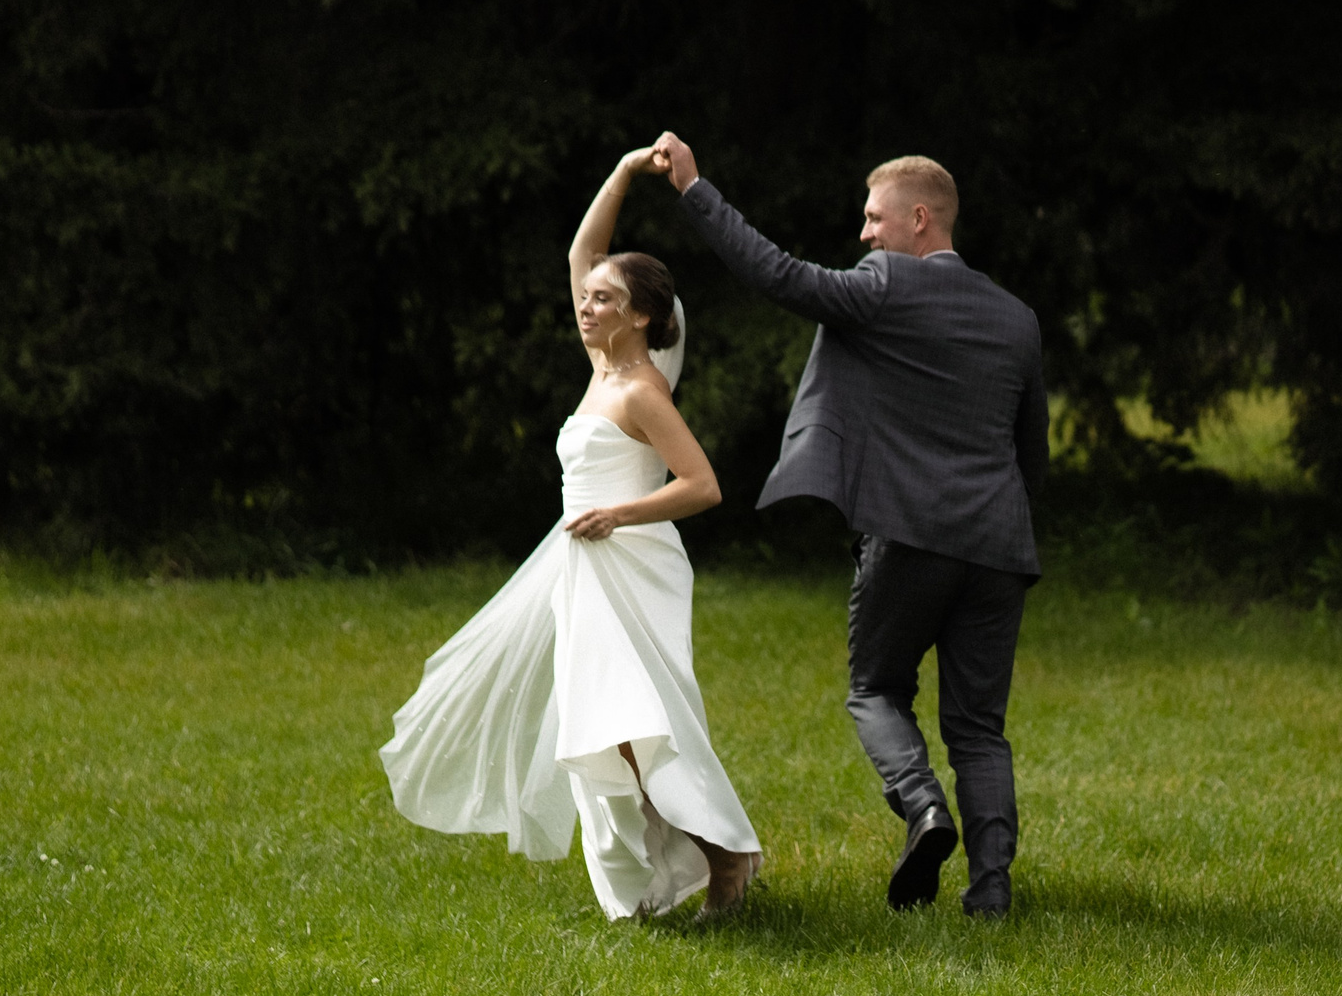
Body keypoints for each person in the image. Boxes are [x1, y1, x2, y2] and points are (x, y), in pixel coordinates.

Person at [653, 133, 1045, 918]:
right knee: (979, 726)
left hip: (910, 533)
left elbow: (778, 274)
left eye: (874, 218)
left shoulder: (887, 284)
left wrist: (696, 189)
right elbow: (1029, 445)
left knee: (875, 689)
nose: (864, 232)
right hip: (999, 545)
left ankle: (923, 807)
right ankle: (992, 889)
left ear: (920, 219)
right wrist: (1011, 533)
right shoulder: (1017, 317)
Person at [378, 144, 762, 921]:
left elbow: (703, 485)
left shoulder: (643, 390)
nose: (586, 306)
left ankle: (724, 854)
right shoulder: (600, 365)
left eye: (604, 299)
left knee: (635, 725)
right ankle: (668, 866)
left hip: (632, 565)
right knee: (605, 729)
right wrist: (624, 172)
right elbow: (581, 253)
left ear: (641, 316)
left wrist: (619, 514)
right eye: (586, 298)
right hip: (582, 568)